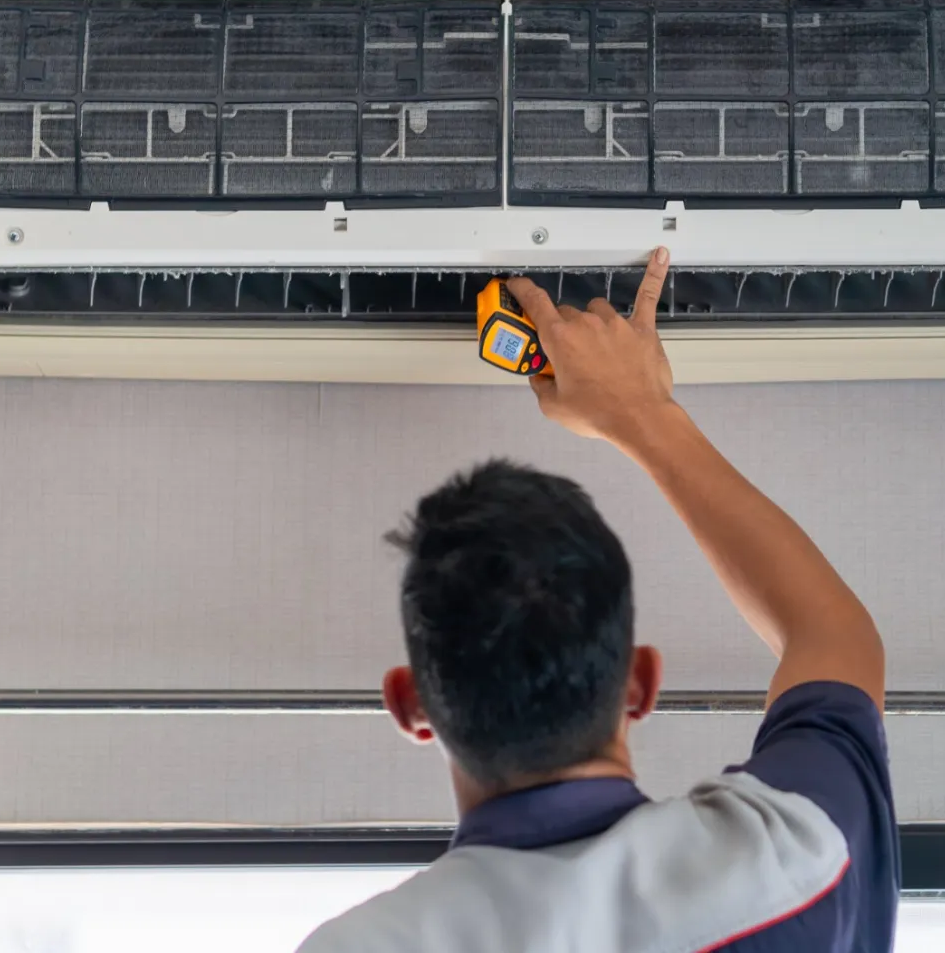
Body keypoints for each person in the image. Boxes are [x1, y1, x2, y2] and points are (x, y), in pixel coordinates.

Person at [299, 248, 895, 952]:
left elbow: (835, 641)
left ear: (409, 704)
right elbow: (835, 639)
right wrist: (642, 414)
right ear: (640, 682)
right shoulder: (790, 861)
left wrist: (642, 412)